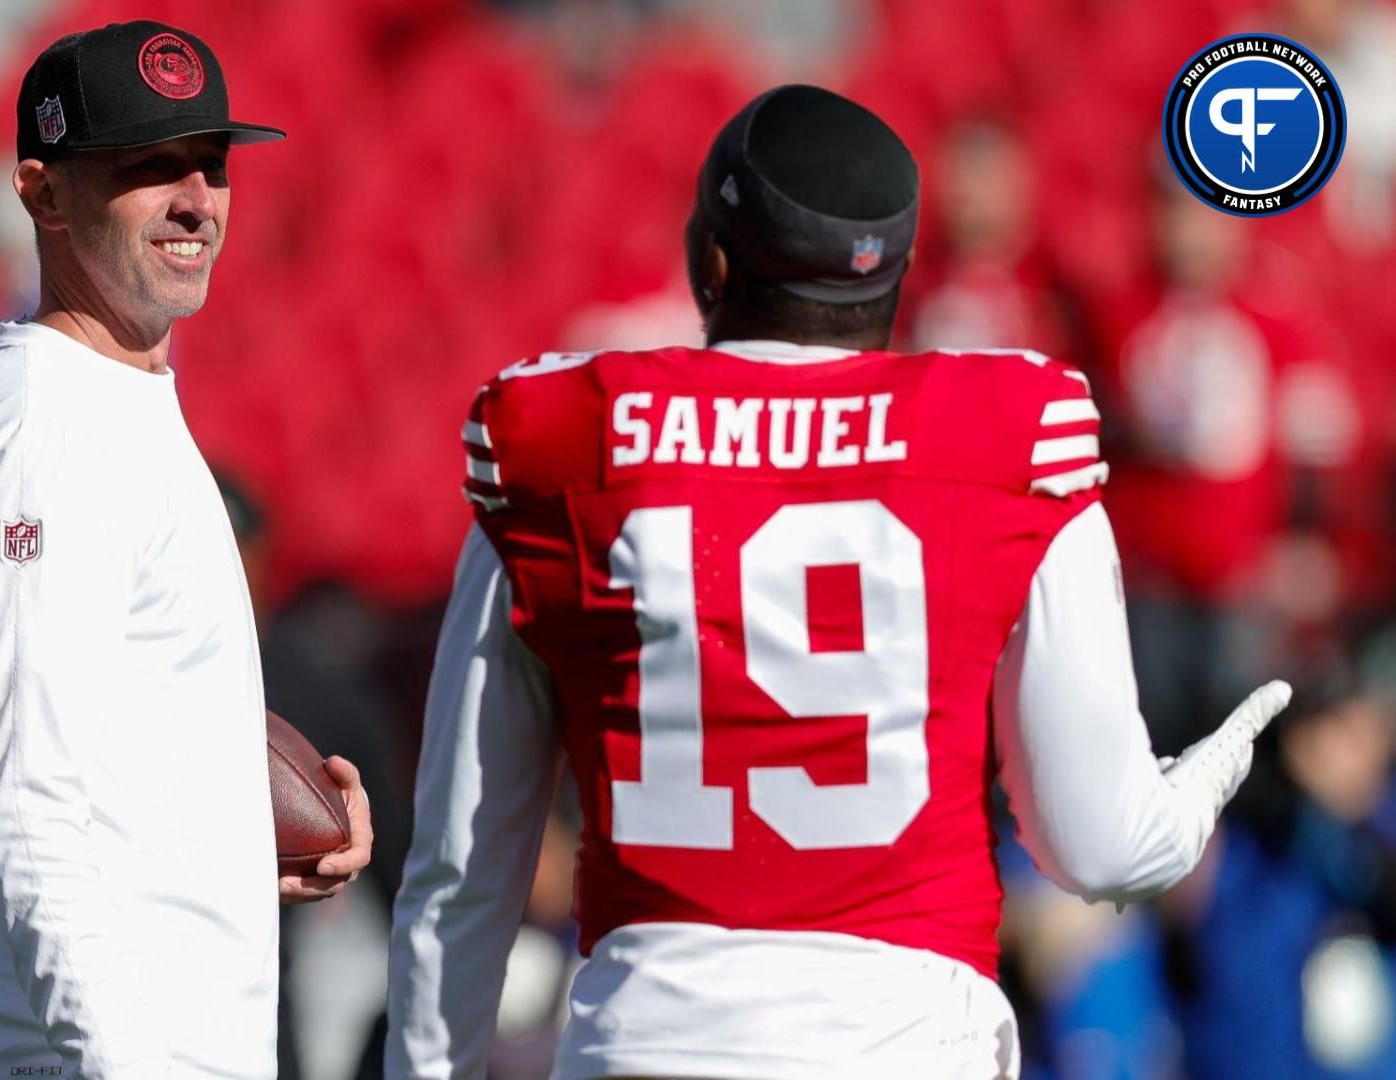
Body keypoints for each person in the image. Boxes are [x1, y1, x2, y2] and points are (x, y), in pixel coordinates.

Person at [386, 84, 1290, 1080]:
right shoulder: (1015, 431)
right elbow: (1102, 850)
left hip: (645, 1037)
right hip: (902, 1043)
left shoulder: (559, 444)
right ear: (899, 275)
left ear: (713, 262)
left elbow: (463, 875)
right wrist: (1199, 788)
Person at [0, 21, 372, 1080]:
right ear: (43, 192)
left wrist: (227, 826)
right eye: (147, 168)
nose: (196, 200)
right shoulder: (42, 433)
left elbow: (95, 730)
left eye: (211, 165)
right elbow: (23, 810)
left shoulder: (113, 404)